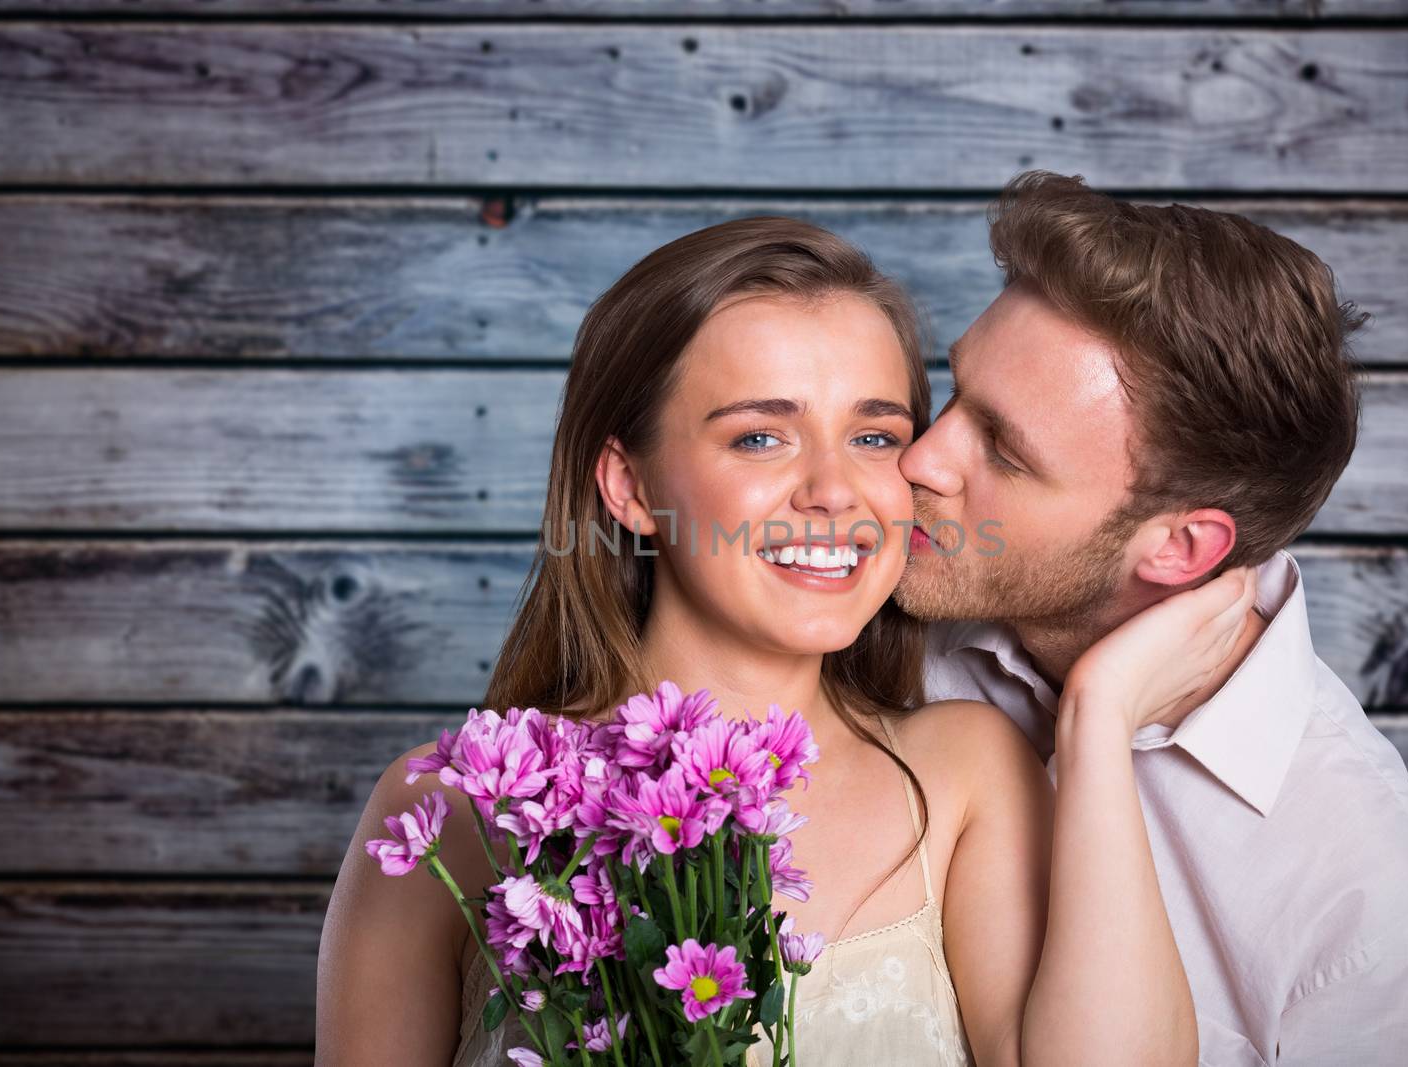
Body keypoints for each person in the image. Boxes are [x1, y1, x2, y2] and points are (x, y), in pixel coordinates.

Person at [317, 215, 1260, 1066]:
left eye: (877, 436)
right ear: (629, 486)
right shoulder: (445, 817)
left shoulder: (966, 775)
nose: (834, 492)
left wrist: (1096, 718)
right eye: (761, 439)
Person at [898, 171, 1408, 1066]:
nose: (921, 460)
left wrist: (1096, 715)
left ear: (1182, 548)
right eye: (954, 395)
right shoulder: (879, 610)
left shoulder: (1392, 930)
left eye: (1003, 448)